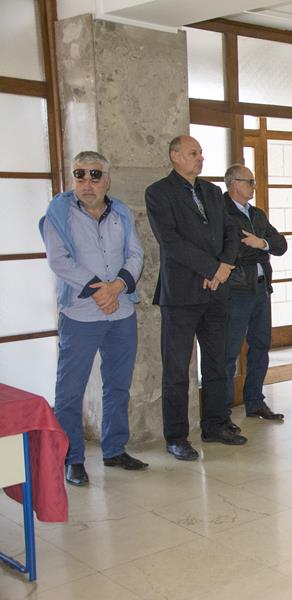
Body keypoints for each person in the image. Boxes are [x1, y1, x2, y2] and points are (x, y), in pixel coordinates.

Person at [41, 151, 147, 486]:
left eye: (95, 175)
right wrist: (99, 290)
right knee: (70, 391)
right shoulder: (59, 212)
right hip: (80, 314)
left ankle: (114, 449)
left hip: (121, 312)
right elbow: (58, 260)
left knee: (118, 385)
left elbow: (136, 254)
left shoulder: (121, 212)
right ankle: (72, 458)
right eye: (80, 175)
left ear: (107, 180)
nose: (87, 182)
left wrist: (116, 287)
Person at [145, 135, 246, 461]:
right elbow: (171, 241)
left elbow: (231, 231)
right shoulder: (158, 193)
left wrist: (224, 267)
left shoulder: (212, 192)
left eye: (201, 153)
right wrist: (212, 267)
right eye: (193, 153)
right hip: (181, 295)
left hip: (216, 291)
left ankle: (215, 424)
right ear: (175, 156)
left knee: (217, 363)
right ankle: (176, 437)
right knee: (176, 370)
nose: (200, 158)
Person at [223, 164, 287, 421]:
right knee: (228, 352)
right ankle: (222, 411)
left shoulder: (257, 214)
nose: (253, 186)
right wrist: (263, 249)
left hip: (261, 289)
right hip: (236, 290)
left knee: (260, 346)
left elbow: (281, 245)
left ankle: (254, 401)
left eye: (253, 181)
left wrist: (261, 243)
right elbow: (235, 252)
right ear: (232, 183)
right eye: (248, 182)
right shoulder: (223, 212)